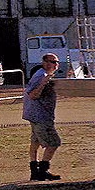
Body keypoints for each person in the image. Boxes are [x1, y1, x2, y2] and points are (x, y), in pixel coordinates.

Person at [23, 53, 62, 181]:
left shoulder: (42, 74)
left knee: (35, 142)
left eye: (56, 62)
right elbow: (32, 95)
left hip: (34, 115)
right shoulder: (41, 76)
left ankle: (34, 171)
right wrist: (44, 83)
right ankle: (42, 171)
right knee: (54, 142)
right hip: (41, 116)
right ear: (45, 62)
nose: (56, 65)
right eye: (53, 62)